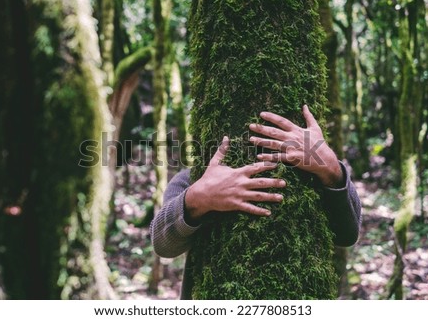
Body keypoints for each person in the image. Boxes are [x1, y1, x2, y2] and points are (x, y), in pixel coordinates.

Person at [150, 105, 362, 299]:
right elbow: (162, 243)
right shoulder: (194, 179)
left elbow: (348, 233)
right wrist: (197, 198)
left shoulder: (314, 170)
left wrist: (331, 168)